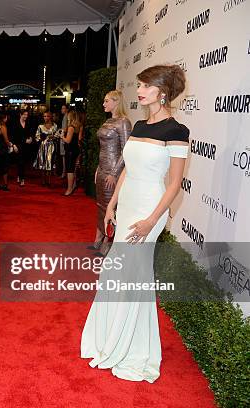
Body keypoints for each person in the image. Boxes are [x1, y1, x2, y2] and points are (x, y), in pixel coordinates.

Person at [81, 64, 189, 383]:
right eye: (139, 84)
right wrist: (112, 205)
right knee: (117, 272)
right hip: (127, 204)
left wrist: (151, 220)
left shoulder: (176, 131)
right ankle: (111, 338)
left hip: (149, 209)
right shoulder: (140, 125)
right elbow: (127, 169)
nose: (139, 90)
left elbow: (174, 184)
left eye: (145, 85)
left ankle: (130, 346)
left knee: (134, 275)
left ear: (162, 91)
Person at [89, 90, 131, 255]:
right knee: (100, 204)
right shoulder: (108, 121)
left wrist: (114, 173)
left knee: (109, 206)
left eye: (107, 101)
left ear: (116, 102)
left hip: (113, 172)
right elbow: (103, 149)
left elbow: (126, 150)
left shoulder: (124, 122)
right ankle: (98, 237)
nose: (104, 104)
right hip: (102, 169)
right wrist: (98, 169)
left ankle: (108, 240)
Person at [33, 111, 58, 186]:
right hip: (43, 146)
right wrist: (41, 138)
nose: (46, 118)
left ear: (50, 117)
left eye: (47, 116)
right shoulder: (40, 126)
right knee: (42, 163)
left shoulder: (55, 126)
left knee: (49, 163)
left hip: (51, 147)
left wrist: (53, 137)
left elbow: (57, 136)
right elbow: (36, 136)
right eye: (44, 116)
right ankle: (43, 181)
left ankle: (49, 181)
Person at [9, 109, 33, 186]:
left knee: (23, 162)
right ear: (20, 115)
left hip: (26, 146)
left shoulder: (28, 123)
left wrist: (30, 139)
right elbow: (12, 136)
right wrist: (13, 145)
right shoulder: (15, 123)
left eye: (27, 115)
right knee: (20, 162)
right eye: (24, 114)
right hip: (18, 145)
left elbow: (30, 133)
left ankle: (20, 176)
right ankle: (21, 178)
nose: (26, 116)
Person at [61, 110, 81, 196]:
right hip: (76, 149)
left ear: (70, 117)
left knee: (70, 170)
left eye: (68, 116)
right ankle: (73, 185)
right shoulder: (79, 126)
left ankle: (69, 189)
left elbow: (68, 141)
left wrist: (62, 137)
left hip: (70, 151)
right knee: (73, 169)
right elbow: (79, 139)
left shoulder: (71, 127)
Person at [0, 112, 12, 190]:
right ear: (4, 118)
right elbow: (6, 140)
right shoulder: (3, 127)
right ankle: (5, 184)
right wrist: (11, 145)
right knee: (5, 167)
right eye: (6, 117)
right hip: (3, 149)